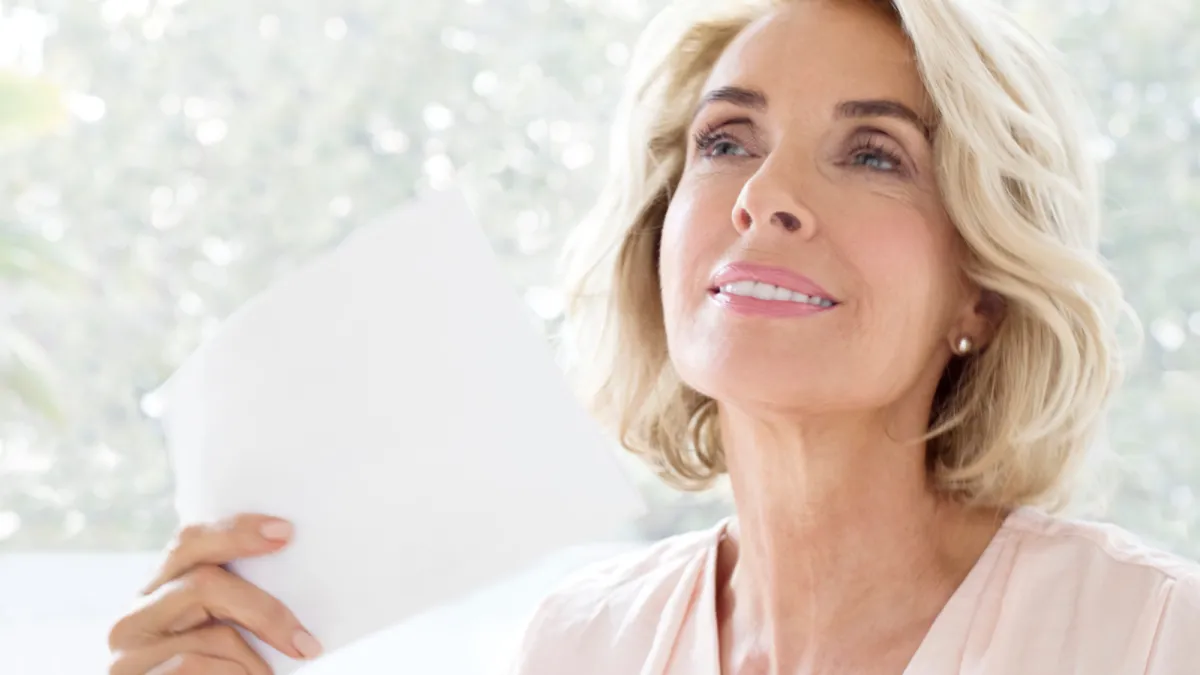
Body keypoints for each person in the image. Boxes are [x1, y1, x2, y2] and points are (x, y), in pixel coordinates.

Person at [107, 0, 1200, 672]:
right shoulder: (580, 647)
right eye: (727, 139)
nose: (765, 193)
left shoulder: (1148, 639)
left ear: (983, 291)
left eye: (873, 154)